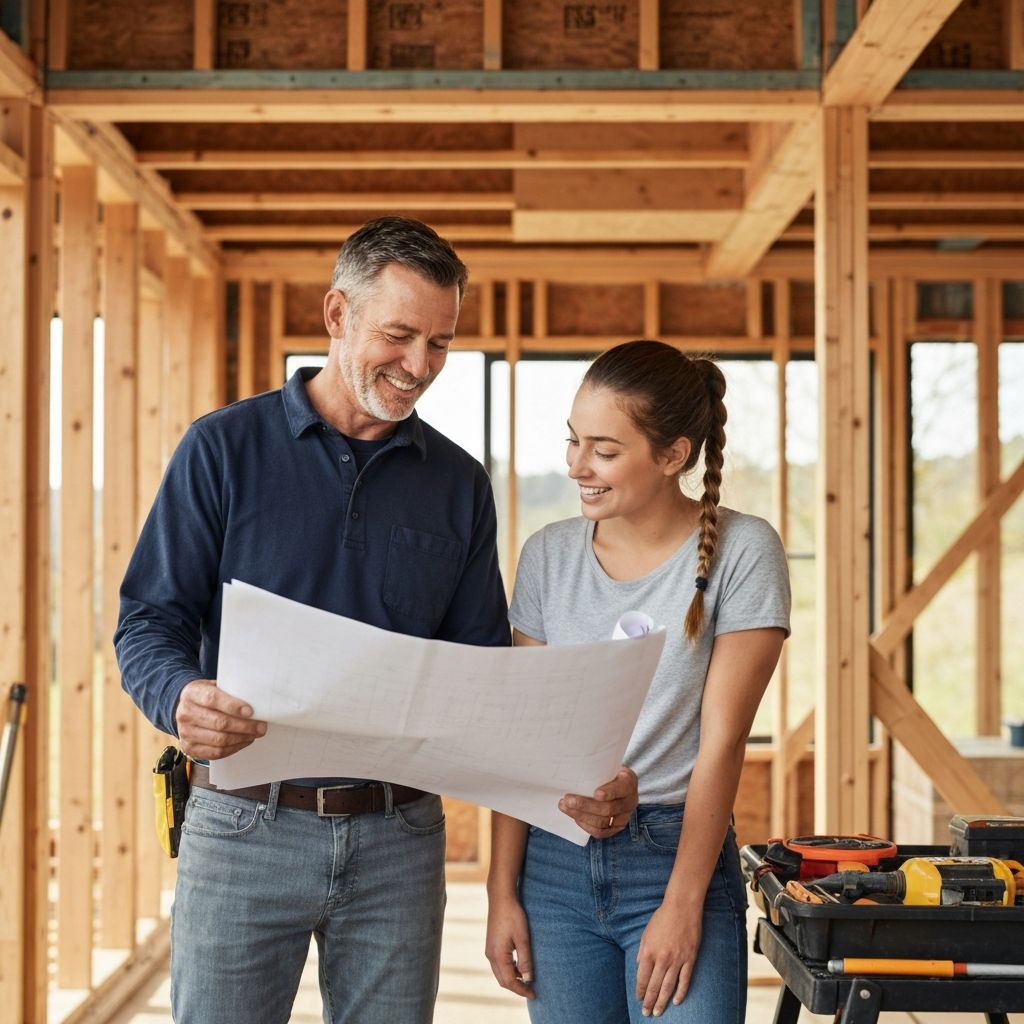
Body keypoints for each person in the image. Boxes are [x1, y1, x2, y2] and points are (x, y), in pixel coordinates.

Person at [115, 216, 638, 1024]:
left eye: (439, 343)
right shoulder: (222, 450)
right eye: (399, 336)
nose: (419, 367)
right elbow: (147, 622)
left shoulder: (459, 485)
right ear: (337, 315)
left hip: (400, 840)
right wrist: (180, 696)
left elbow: (482, 677)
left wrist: (569, 772)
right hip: (242, 826)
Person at [485, 340, 791, 1023]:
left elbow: (723, 743)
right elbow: (522, 738)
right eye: (572, 442)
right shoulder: (546, 556)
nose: (576, 466)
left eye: (603, 448)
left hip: (675, 858)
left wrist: (683, 905)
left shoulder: (745, 551)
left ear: (673, 455)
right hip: (554, 866)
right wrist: (501, 892)